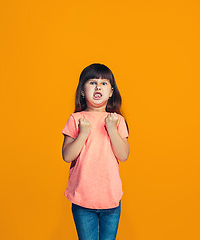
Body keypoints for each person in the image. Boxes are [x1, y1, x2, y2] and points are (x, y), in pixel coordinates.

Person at [61, 63, 130, 240]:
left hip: (110, 198)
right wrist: (83, 133)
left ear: (111, 92)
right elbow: (67, 156)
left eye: (104, 83)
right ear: (82, 91)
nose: (98, 86)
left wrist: (112, 129)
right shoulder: (76, 119)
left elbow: (123, 155)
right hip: (82, 198)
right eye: (92, 82)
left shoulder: (117, 120)